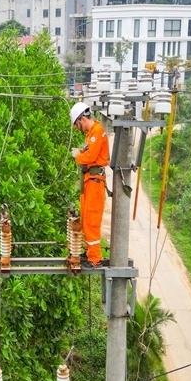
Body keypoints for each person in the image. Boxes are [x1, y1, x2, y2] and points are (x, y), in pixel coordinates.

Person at [69, 102, 109, 268]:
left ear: (82, 119)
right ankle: (90, 252)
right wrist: (81, 153)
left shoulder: (97, 132)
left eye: (77, 125)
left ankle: (94, 259)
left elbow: (90, 156)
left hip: (95, 181)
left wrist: (77, 156)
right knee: (86, 218)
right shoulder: (92, 134)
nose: (78, 128)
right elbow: (89, 151)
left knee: (92, 219)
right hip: (89, 180)